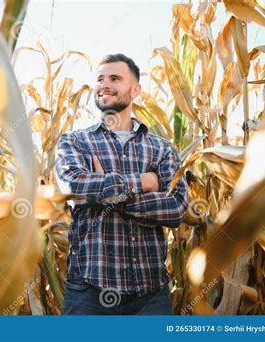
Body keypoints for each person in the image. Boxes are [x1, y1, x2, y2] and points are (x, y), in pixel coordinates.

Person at [54, 53, 188, 315]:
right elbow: (72, 186)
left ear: (135, 89)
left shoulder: (162, 148)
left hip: (150, 294)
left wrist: (106, 193)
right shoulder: (75, 142)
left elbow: (176, 207)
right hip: (89, 290)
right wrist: (144, 182)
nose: (105, 84)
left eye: (115, 78)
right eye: (100, 79)